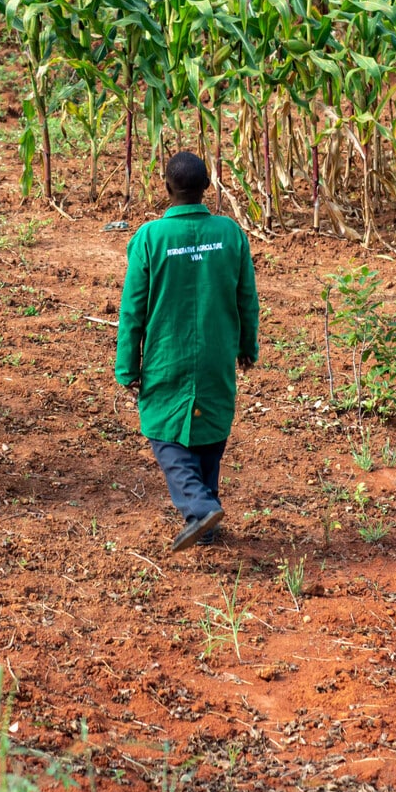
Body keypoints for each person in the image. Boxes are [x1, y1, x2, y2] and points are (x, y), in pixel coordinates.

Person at [114, 152, 260, 553]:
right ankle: (207, 525)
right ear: (206, 188)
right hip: (216, 356)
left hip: (166, 355)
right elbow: (247, 297)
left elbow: (133, 308)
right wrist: (248, 347)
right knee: (210, 432)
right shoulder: (230, 234)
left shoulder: (149, 239)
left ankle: (199, 507)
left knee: (165, 434)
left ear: (166, 189)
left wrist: (127, 365)